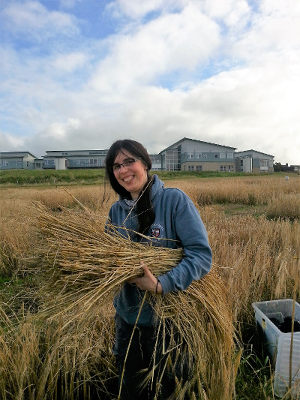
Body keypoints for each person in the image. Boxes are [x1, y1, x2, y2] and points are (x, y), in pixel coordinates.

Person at [105, 139, 212, 400]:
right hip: (127, 317)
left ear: (145, 163)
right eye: (117, 165)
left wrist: (161, 284)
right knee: (129, 387)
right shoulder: (116, 212)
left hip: (168, 320)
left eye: (130, 161)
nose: (124, 170)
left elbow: (200, 256)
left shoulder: (173, 201)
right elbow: (108, 261)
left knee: (169, 388)